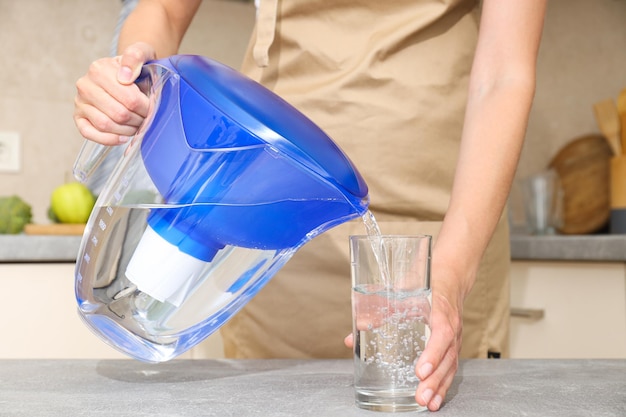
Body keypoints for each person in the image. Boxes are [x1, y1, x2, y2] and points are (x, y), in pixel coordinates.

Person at [73, 0, 546, 411]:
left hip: (434, 239)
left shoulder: (439, 259)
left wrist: (449, 273)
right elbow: (163, 9)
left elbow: (504, 73)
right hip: (255, 222)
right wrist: (130, 73)